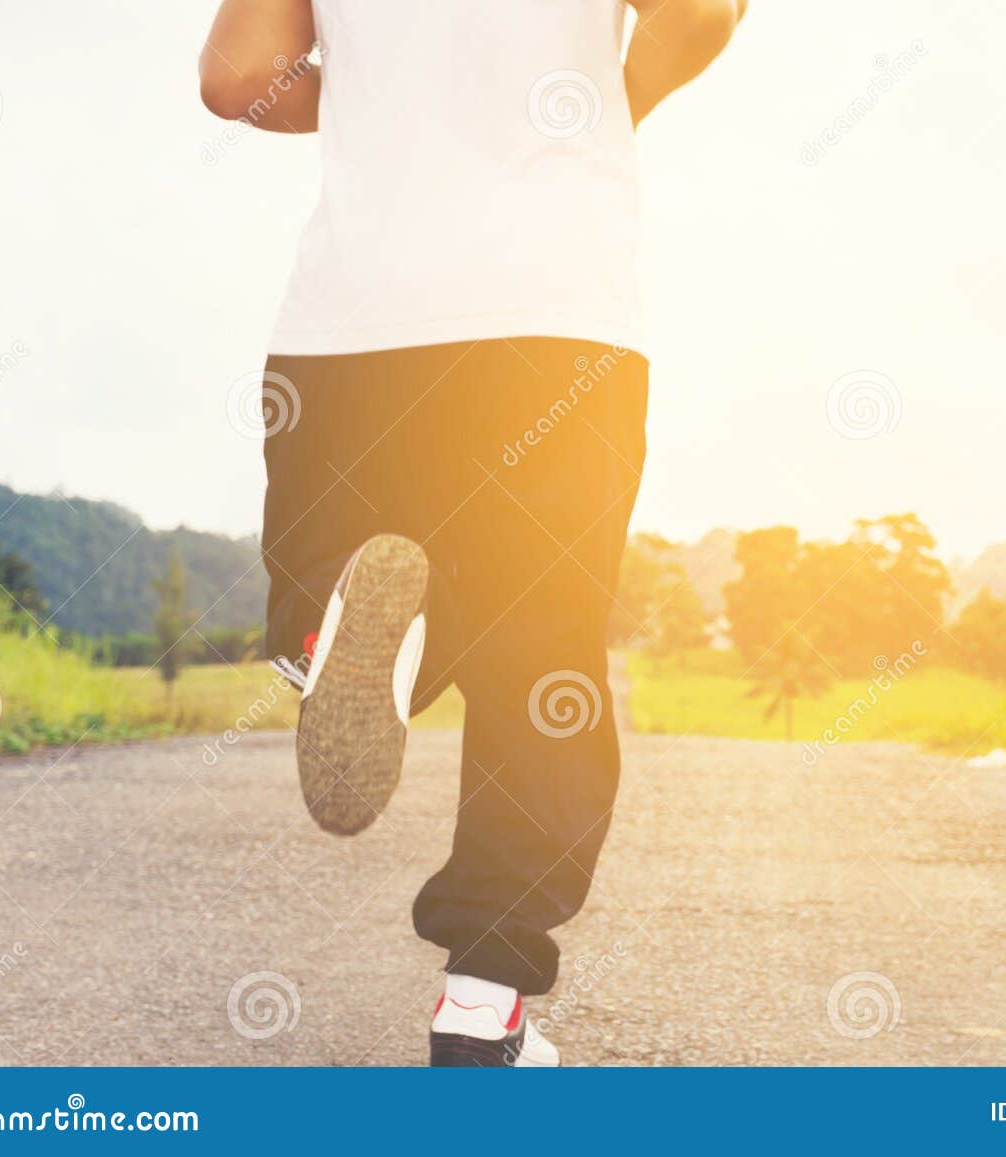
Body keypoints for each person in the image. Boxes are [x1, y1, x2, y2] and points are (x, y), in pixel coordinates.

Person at [200, 0, 744, 1067]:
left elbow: (237, 78)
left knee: (340, 585)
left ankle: (342, 640)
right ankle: (480, 1000)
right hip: (552, 312)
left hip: (351, 319)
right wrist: (601, 106)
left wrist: (378, 106)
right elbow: (695, 12)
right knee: (538, 651)